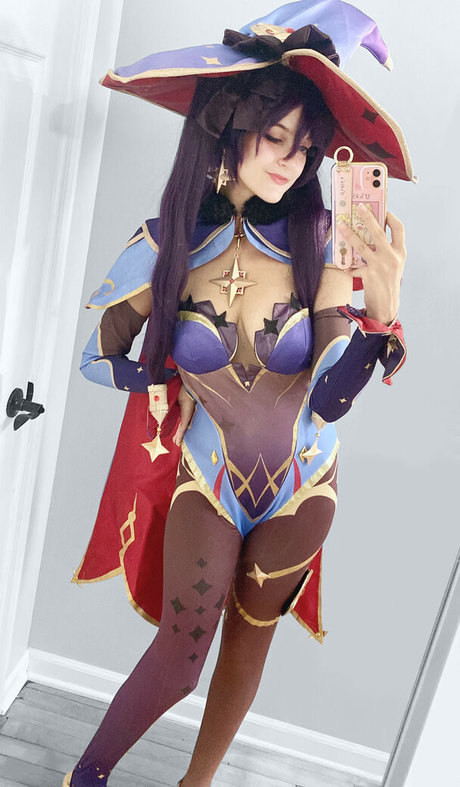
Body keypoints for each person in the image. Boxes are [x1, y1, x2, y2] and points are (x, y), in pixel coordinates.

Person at [64, 1, 413, 785]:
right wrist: (156, 375)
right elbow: (95, 358)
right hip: (210, 477)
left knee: (247, 648)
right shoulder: (167, 244)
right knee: (182, 653)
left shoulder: (325, 245)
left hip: (303, 486)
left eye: (306, 144)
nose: (291, 159)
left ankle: (197, 783)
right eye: (275, 135)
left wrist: (381, 315)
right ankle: (84, 775)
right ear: (229, 125)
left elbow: (330, 400)